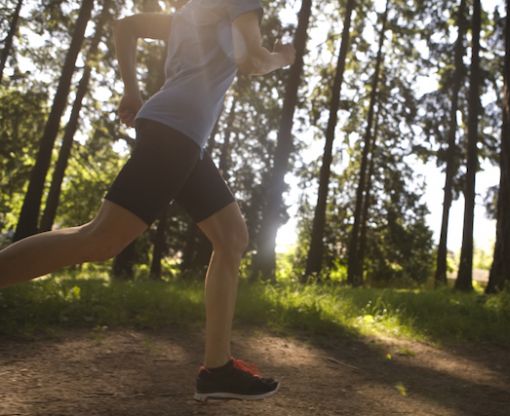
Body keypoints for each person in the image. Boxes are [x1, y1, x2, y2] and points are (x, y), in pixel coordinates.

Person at [0, 0, 295, 401]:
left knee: (231, 238)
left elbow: (127, 27)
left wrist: (133, 92)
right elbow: (251, 59)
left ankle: (217, 369)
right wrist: (282, 57)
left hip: (180, 134)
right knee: (101, 239)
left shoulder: (192, 13)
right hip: (176, 132)